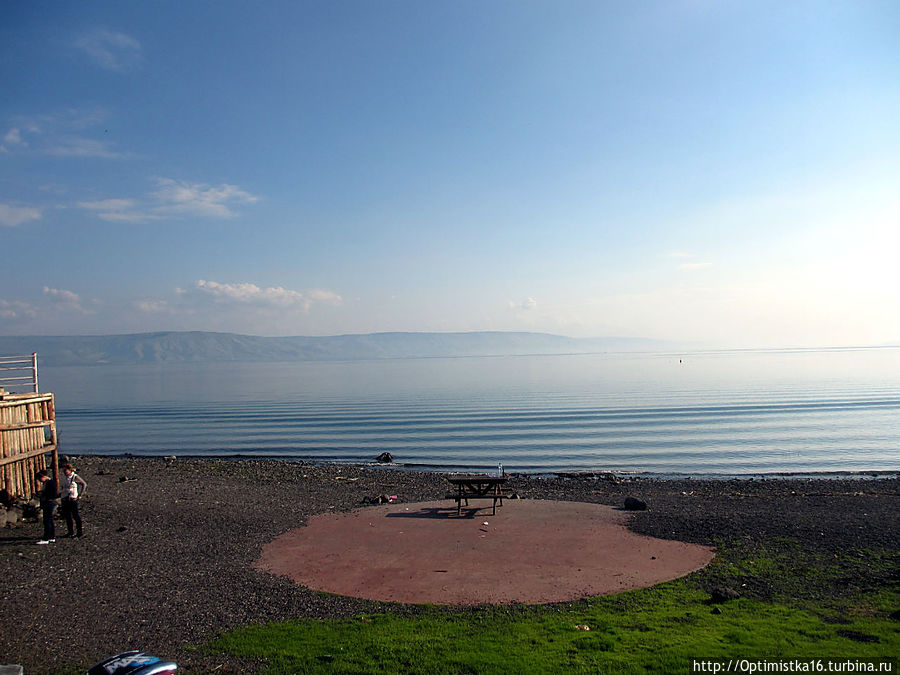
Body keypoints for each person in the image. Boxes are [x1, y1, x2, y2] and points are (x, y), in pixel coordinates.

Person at [60, 463, 87, 538]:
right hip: (64, 498)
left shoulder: (74, 477)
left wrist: (80, 494)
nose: (65, 472)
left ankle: (79, 532)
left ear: (70, 470)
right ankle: (70, 532)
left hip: (72, 498)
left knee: (76, 515)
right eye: (64, 471)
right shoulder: (64, 477)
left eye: (66, 471)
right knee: (67, 516)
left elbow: (84, 484)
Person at [35, 469, 58, 544]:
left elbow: (53, 494)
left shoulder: (50, 483)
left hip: (49, 502)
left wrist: (44, 496)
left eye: (39, 478)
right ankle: (52, 536)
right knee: (50, 520)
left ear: (43, 476)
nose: (39, 480)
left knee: (47, 520)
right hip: (48, 502)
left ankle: (46, 538)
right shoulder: (48, 482)